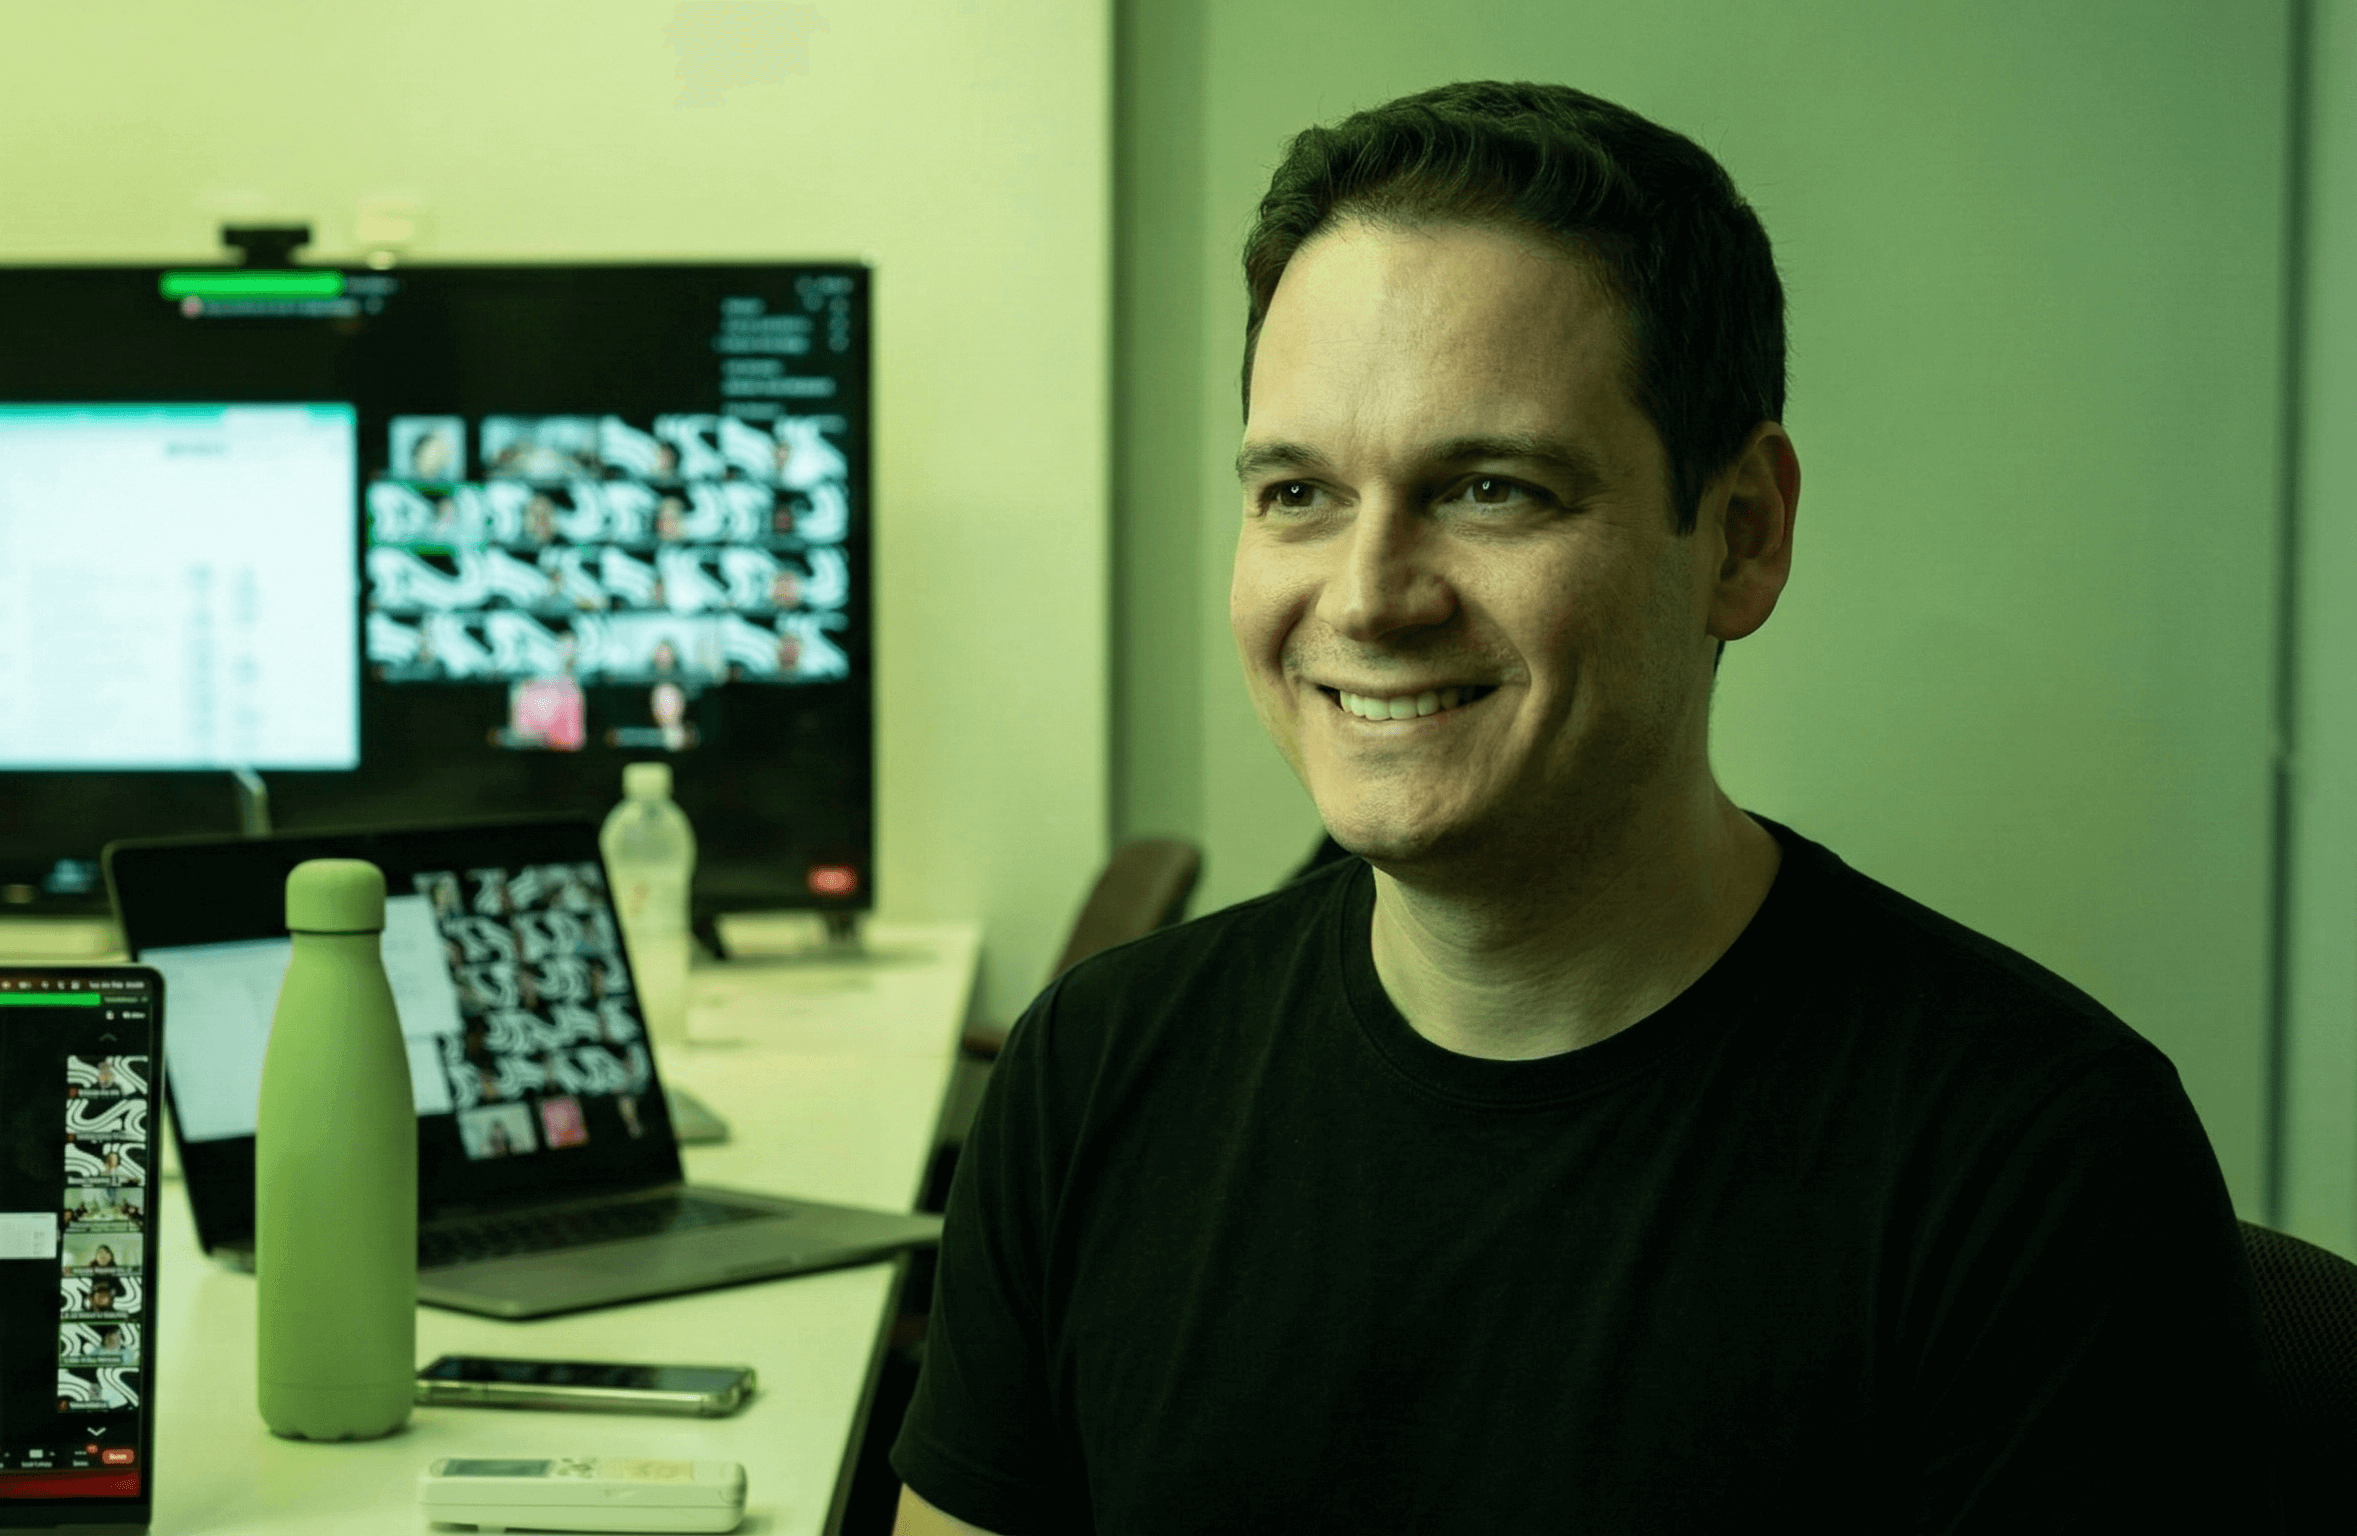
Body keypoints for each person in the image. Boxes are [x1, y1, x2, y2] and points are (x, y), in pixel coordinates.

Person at [890, 81, 2276, 1535]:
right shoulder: (1094, 1079)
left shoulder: (2035, 1167)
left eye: (1491, 488)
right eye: (1298, 491)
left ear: (1741, 536)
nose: (1367, 596)